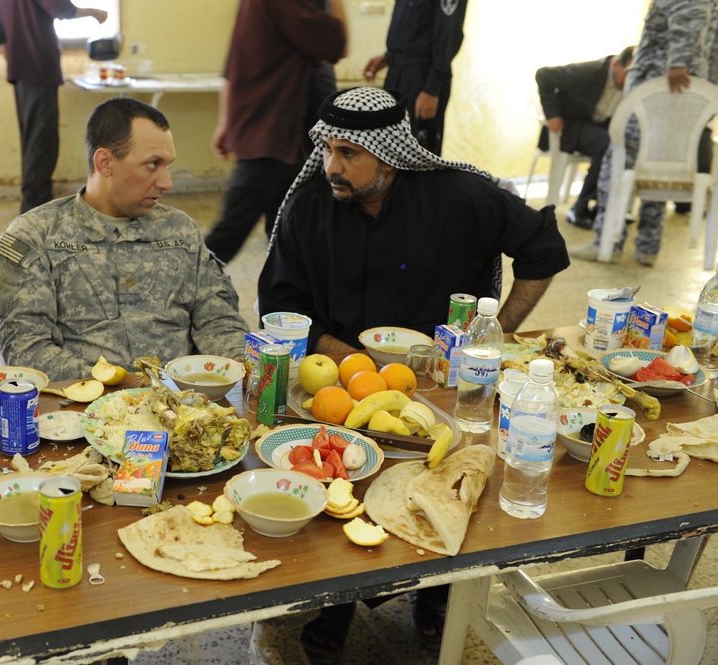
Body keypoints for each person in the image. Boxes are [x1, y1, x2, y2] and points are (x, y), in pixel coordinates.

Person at [252, 88, 569, 664]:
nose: (330, 166)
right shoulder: (308, 208)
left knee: (452, 489)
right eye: (325, 148)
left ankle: (438, 592)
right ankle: (336, 599)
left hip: (449, 385)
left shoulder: (462, 199)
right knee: (339, 480)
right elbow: (284, 303)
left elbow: (543, 250)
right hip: (341, 382)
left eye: (349, 152)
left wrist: (490, 338)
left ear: (390, 153)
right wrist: (353, 360)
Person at [0, 97, 248, 381]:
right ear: (105, 163)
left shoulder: (180, 231)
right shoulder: (35, 236)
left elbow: (218, 319)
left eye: (167, 165)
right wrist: (126, 388)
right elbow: (27, 350)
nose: (166, 182)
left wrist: (236, 362)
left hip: (182, 408)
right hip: (80, 409)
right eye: (152, 164)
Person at [570, 0, 717, 266]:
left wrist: (677, 64)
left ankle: (607, 242)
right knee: (658, 167)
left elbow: (690, 11)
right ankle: (648, 247)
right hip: (679, 94)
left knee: (620, 159)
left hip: (658, 92)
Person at [203, 0, 347, 264]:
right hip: (271, 136)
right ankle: (171, 290)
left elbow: (233, 64)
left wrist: (227, 121)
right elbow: (338, 42)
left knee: (283, 234)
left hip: (274, 135)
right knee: (230, 232)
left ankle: (281, 300)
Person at [0, 0, 108, 214]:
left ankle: (31, 210)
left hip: (22, 75)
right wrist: (95, 13)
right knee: (42, 145)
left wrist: (17, 61)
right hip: (40, 72)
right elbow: (63, 9)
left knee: (32, 143)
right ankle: (36, 215)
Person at [535, 46, 635, 229]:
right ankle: (580, 207)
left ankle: (604, 207)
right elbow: (544, 75)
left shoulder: (631, 86)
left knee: (626, 144)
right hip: (569, 126)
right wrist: (552, 114)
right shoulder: (591, 71)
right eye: (629, 72)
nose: (631, 79)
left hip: (594, 127)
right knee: (607, 145)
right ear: (615, 64)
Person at [362, 0, 467, 155]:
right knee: (391, 152)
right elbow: (414, 26)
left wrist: (432, 89)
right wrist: (389, 57)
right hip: (398, 73)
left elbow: (448, 35)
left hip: (422, 80)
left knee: (419, 157)